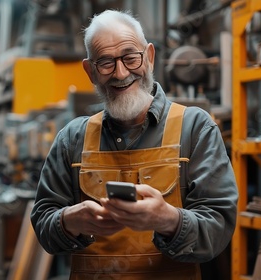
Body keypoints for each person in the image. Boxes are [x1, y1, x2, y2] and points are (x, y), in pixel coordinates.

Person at [30, 10, 238, 279]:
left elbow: (218, 229)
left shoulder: (195, 128)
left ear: (149, 57)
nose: (120, 73)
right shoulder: (72, 138)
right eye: (105, 62)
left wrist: (169, 220)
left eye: (130, 57)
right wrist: (69, 221)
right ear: (90, 71)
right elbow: (44, 225)